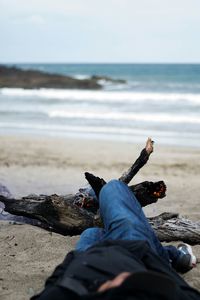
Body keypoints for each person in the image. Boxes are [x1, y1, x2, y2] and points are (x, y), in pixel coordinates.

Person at [32, 173, 199, 300]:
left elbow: (52, 284)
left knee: (91, 232)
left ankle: (170, 254)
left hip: (86, 257)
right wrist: (131, 281)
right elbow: (182, 292)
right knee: (113, 188)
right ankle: (170, 256)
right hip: (132, 252)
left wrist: (74, 260)